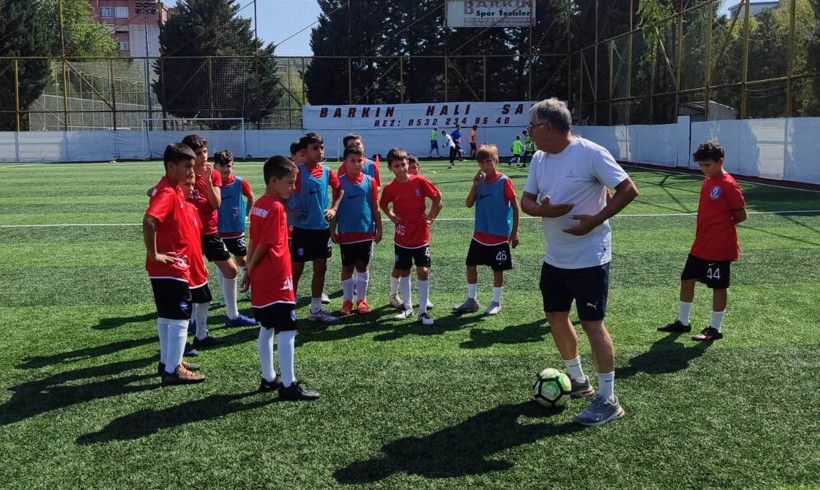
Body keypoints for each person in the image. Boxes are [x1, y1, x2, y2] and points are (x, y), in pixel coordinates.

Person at [521, 98, 639, 426]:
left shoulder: (590, 153)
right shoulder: (539, 158)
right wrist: (543, 210)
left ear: (547, 127)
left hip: (590, 257)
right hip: (555, 257)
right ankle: (579, 380)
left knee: (592, 324)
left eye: (532, 127)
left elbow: (628, 189)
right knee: (555, 316)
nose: (529, 133)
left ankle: (609, 399)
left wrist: (595, 220)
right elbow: (526, 201)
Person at [242, 155, 320, 401]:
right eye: (289, 182)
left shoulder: (259, 205)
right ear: (274, 181)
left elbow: (253, 240)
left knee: (267, 326)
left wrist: (249, 271)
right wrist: (251, 268)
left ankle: (268, 377)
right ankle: (289, 384)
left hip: (262, 278)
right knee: (288, 329)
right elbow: (264, 243)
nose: (293, 187)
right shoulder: (276, 208)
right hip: (276, 277)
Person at [658, 140, 747, 341]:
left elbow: (741, 215)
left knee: (718, 286)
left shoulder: (728, 184)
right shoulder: (708, 181)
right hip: (701, 244)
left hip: (719, 247)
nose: (704, 170)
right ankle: (683, 322)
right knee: (687, 279)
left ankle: (715, 328)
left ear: (720, 161)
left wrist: (721, 230)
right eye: (701, 166)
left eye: (707, 165)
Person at [143, 143, 205, 385]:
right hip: (171, 267)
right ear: (171, 166)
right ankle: (172, 371)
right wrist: (155, 254)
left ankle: (169, 361)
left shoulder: (171, 188)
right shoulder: (168, 192)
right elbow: (149, 221)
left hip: (168, 268)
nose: (192, 171)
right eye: (187, 166)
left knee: (167, 317)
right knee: (179, 317)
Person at [181, 134, 256, 330]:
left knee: (231, 270)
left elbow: (216, 204)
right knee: (192, 276)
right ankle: (192, 321)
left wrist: (206, 181)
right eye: (199, 153)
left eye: (205, 152)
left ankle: (232, 315)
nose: (203, 156)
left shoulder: (213, 175)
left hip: (210, 232)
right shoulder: (184, 175)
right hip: (189, 234)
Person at [453, 144, 520, 316]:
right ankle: (471, 300)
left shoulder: (504, 181)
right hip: (480, 233)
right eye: (482, 163)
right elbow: (468, 204)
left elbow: (515, 206)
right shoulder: (480, 182)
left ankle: (496, 302)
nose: (485, 166)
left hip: (499, 234)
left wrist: (515, 232)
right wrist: (474, 186)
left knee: (498, 269)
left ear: (496, 160)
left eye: (489, 161)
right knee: (470, 264)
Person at [380, 148, 443, 326]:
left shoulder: (420, 181)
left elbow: (438, 199)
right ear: (390, 168)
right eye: (396, 165)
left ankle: (423, 311)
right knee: (404, 270)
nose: (401, 168)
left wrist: (430, 216)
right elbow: (383, 204)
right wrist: (392, 216)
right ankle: (407, 307)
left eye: (404, 164)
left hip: (421, 236)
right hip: (402, 237)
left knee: (423, 270)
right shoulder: (390, 188)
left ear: (408, 164)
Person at [287, 132, 343, 323]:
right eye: (315, 148)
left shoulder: (327, 171)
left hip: (321, 229)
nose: (320, 151)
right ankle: (289, 310)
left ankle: (316, 310)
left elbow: (340, 188)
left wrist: (334, 208)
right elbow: (278, 193)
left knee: (321, 267)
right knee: (296, 270)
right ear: (305, 151)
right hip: (301, 230)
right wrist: (290, 210)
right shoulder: (296, 172)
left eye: (321, 147)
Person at [330, 146, 383, 315]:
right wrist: (332, 231)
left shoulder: (370, 181)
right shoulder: (340, 182)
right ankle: (347, 301)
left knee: (363, 266)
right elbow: (335, 208)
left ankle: (362, 300)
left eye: (359, 161)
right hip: (346, 232)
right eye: (352, 161)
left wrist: (379, 228)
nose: (356, 164)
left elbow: (375, 207)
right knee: (347, 266)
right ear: (345, 162)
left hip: (365, 231)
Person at [214, 150, 254, 305]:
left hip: (236, 229)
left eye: (228, 166)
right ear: (215, 166)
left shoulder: (239, 182)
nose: (225, 169)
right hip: (217, 229)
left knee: (242, 259)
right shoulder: (211, 183)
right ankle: (226, 294)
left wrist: (247, 215)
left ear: (233, 166)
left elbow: (250, 196)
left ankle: (249, 287)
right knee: (222, 261)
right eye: (222, 166)